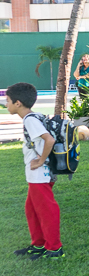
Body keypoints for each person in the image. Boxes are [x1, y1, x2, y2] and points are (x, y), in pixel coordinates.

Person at [7, 82, 63, 260]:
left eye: (7, 101)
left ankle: (54, 249)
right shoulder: (34, 116)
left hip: (40, 175)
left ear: (17, 103)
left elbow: (49, 140)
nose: (6, 104)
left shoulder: (30, 120)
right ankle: (38, 244)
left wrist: (40, 160)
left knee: (46, 210)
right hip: (37, 175)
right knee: (31, 209)